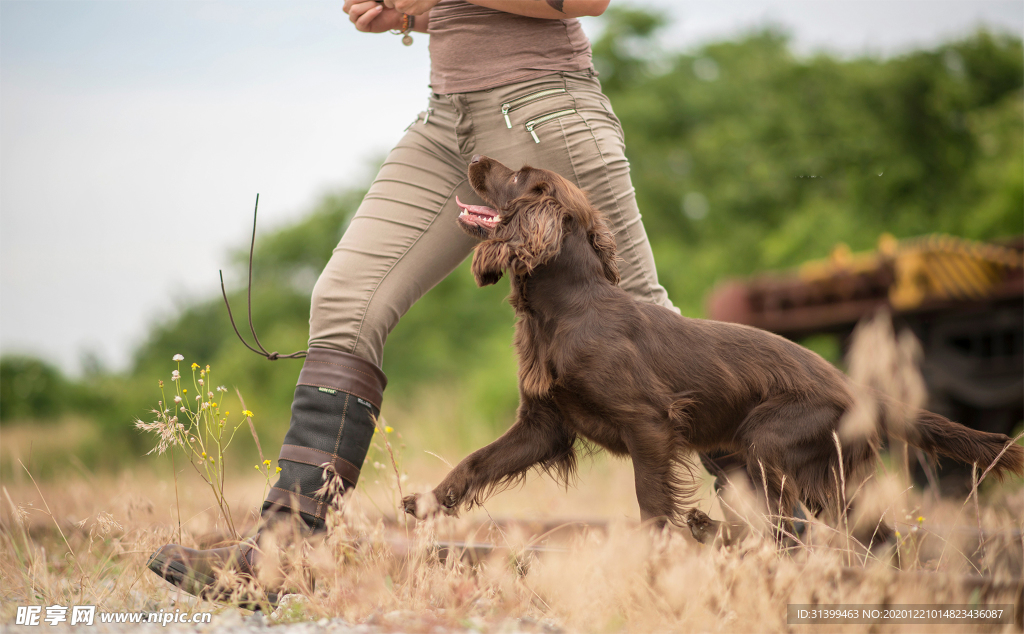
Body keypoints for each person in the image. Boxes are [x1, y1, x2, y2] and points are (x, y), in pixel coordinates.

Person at [147, 0, 677, 601]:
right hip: (446, 121)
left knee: (647, 318)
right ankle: (282, 551)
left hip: (541, 113)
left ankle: (778, 526)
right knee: (346, 300)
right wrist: (410, 13)